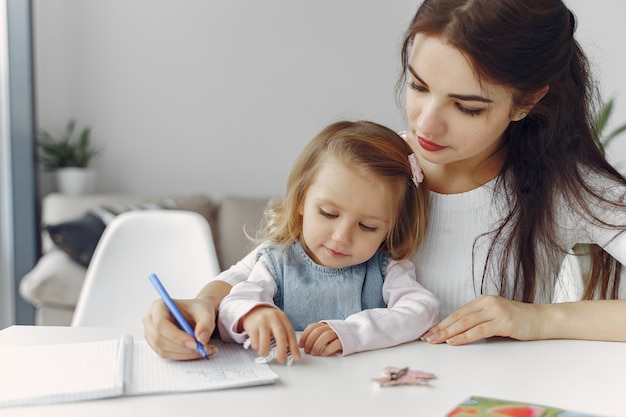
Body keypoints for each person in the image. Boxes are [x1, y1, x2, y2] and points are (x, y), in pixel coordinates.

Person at [143, 0, 626, 361]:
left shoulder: (561, 190)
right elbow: (273, 263)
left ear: (527, 102)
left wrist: (538, 318)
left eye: (467, 106)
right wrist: (200, 305)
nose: (427, 125)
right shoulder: (378, 167)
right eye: (418, 86)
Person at [217, 120, 440, 363]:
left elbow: (423, 310)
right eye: (328, 213)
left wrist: (353, 332)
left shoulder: (386, 268)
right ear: (301, 200)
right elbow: (231, 306)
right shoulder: (277, 262)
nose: (341, 237)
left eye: (367, 226)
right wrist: (253, 313)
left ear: (390, 228)